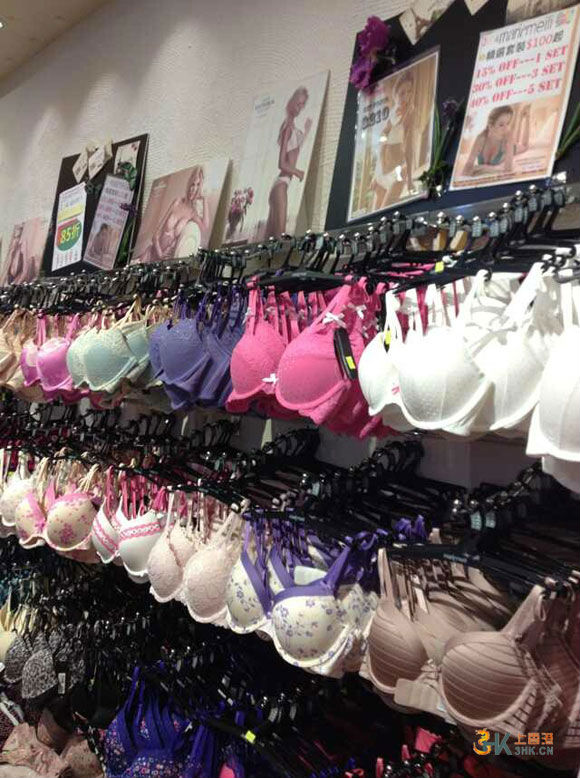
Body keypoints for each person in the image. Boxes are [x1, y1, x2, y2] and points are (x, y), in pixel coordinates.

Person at [264, 87, 312, 239]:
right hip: (281, 185)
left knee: (272, 239)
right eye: (298, 104)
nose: (300, 108)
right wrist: (298, 172)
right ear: (292, 102)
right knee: (280, 238)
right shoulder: (288, 128)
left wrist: (307, 131)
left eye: (302, 105)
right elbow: (282, 163)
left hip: (280, 185)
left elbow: (294, 150)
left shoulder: (292, 127)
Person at [133, 165, 208, 263]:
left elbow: (204, 227)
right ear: (189, 184)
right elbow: (155, 234)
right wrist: (160, 254)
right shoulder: (177, 202)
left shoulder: (192, 213)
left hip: (163, 263)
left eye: (198, 185)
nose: (193, 189)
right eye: (192, 184)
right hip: (151, 255)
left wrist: (205, 199)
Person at [371, 71, 416, 211]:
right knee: (374, 215)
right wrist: (376, 173)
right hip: (382, 167)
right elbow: (382, 140)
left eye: (409, 92)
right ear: (395, 93)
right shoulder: (392, 111)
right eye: (402, 93)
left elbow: (409, 145)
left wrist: (409, 179)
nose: (406, 97)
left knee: (385, 214)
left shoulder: (410, 113)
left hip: (397, 169)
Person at [462, 104, 530, 177]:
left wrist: (482, 168)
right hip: (503, 144)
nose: (506, 128)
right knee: (516, 137)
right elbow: (467, 168)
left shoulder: (507, 139)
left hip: (509, 147)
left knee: (524, 146)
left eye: (508, 123)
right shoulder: (481, 138)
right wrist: (492, 169)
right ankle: (520, 116)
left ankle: (526, 117)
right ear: (491, 126)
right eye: (501, 125)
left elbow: (508, 170)